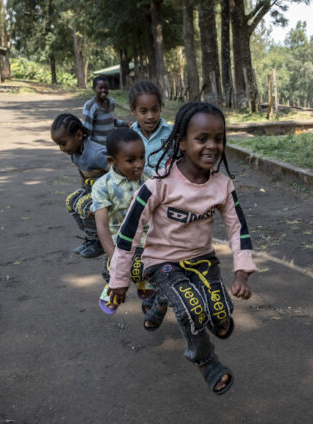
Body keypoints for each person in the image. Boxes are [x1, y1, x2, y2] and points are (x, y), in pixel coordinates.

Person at [107, 102, 256, 395]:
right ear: (182, 142)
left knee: (219, 314)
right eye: (202, 139)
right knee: (192, 310)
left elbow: (238, 227)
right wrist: (119, 279)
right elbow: (129, 233)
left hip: (202, 260)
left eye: (219, 138)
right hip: (162, 262)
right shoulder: (158, 184)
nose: (211, 146)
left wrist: (242, 272)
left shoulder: (223, 185)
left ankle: (164, 300)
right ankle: (205, 361)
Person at [91, 128, 153, 314]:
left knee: (149, 269)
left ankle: (144, 282)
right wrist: (115, 259)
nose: (139, 164)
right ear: (112, 162)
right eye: (131, 160)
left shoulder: (151, 178)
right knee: (111, 271)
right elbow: (102, 225)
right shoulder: (103, 186)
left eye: (142, 157)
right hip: (119, 242)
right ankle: (112, 286)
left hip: (148, 239)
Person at [51, 113, 107, 258]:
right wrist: (82, 190)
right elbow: (83, 176)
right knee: (71, 201)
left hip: (107, 189)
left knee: (83, 204)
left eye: (63, 143)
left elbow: (118, 172)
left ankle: (100, 241)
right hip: (93, 186)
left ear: (79, 135)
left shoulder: (96, 154)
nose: (61, 149)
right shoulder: (75, 154)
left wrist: (98, 201)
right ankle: (91, 237)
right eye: (58, 145)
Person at [127, 81, 173, 173]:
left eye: (155, 110)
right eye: (143, 112)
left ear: (161, 108)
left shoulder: (172, 133)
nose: (150, 116)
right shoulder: (129, 136)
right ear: (133, 110)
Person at [82, 75, 129, 147]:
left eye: (106, 88)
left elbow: (110, 121)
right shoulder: (90, 106)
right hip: (97, 147)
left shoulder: (111, 102)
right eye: (100, 88)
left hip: (111, 144)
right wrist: (87, 149)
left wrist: (127, 124)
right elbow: (86, 131)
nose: (103, 90)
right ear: (93, 89)